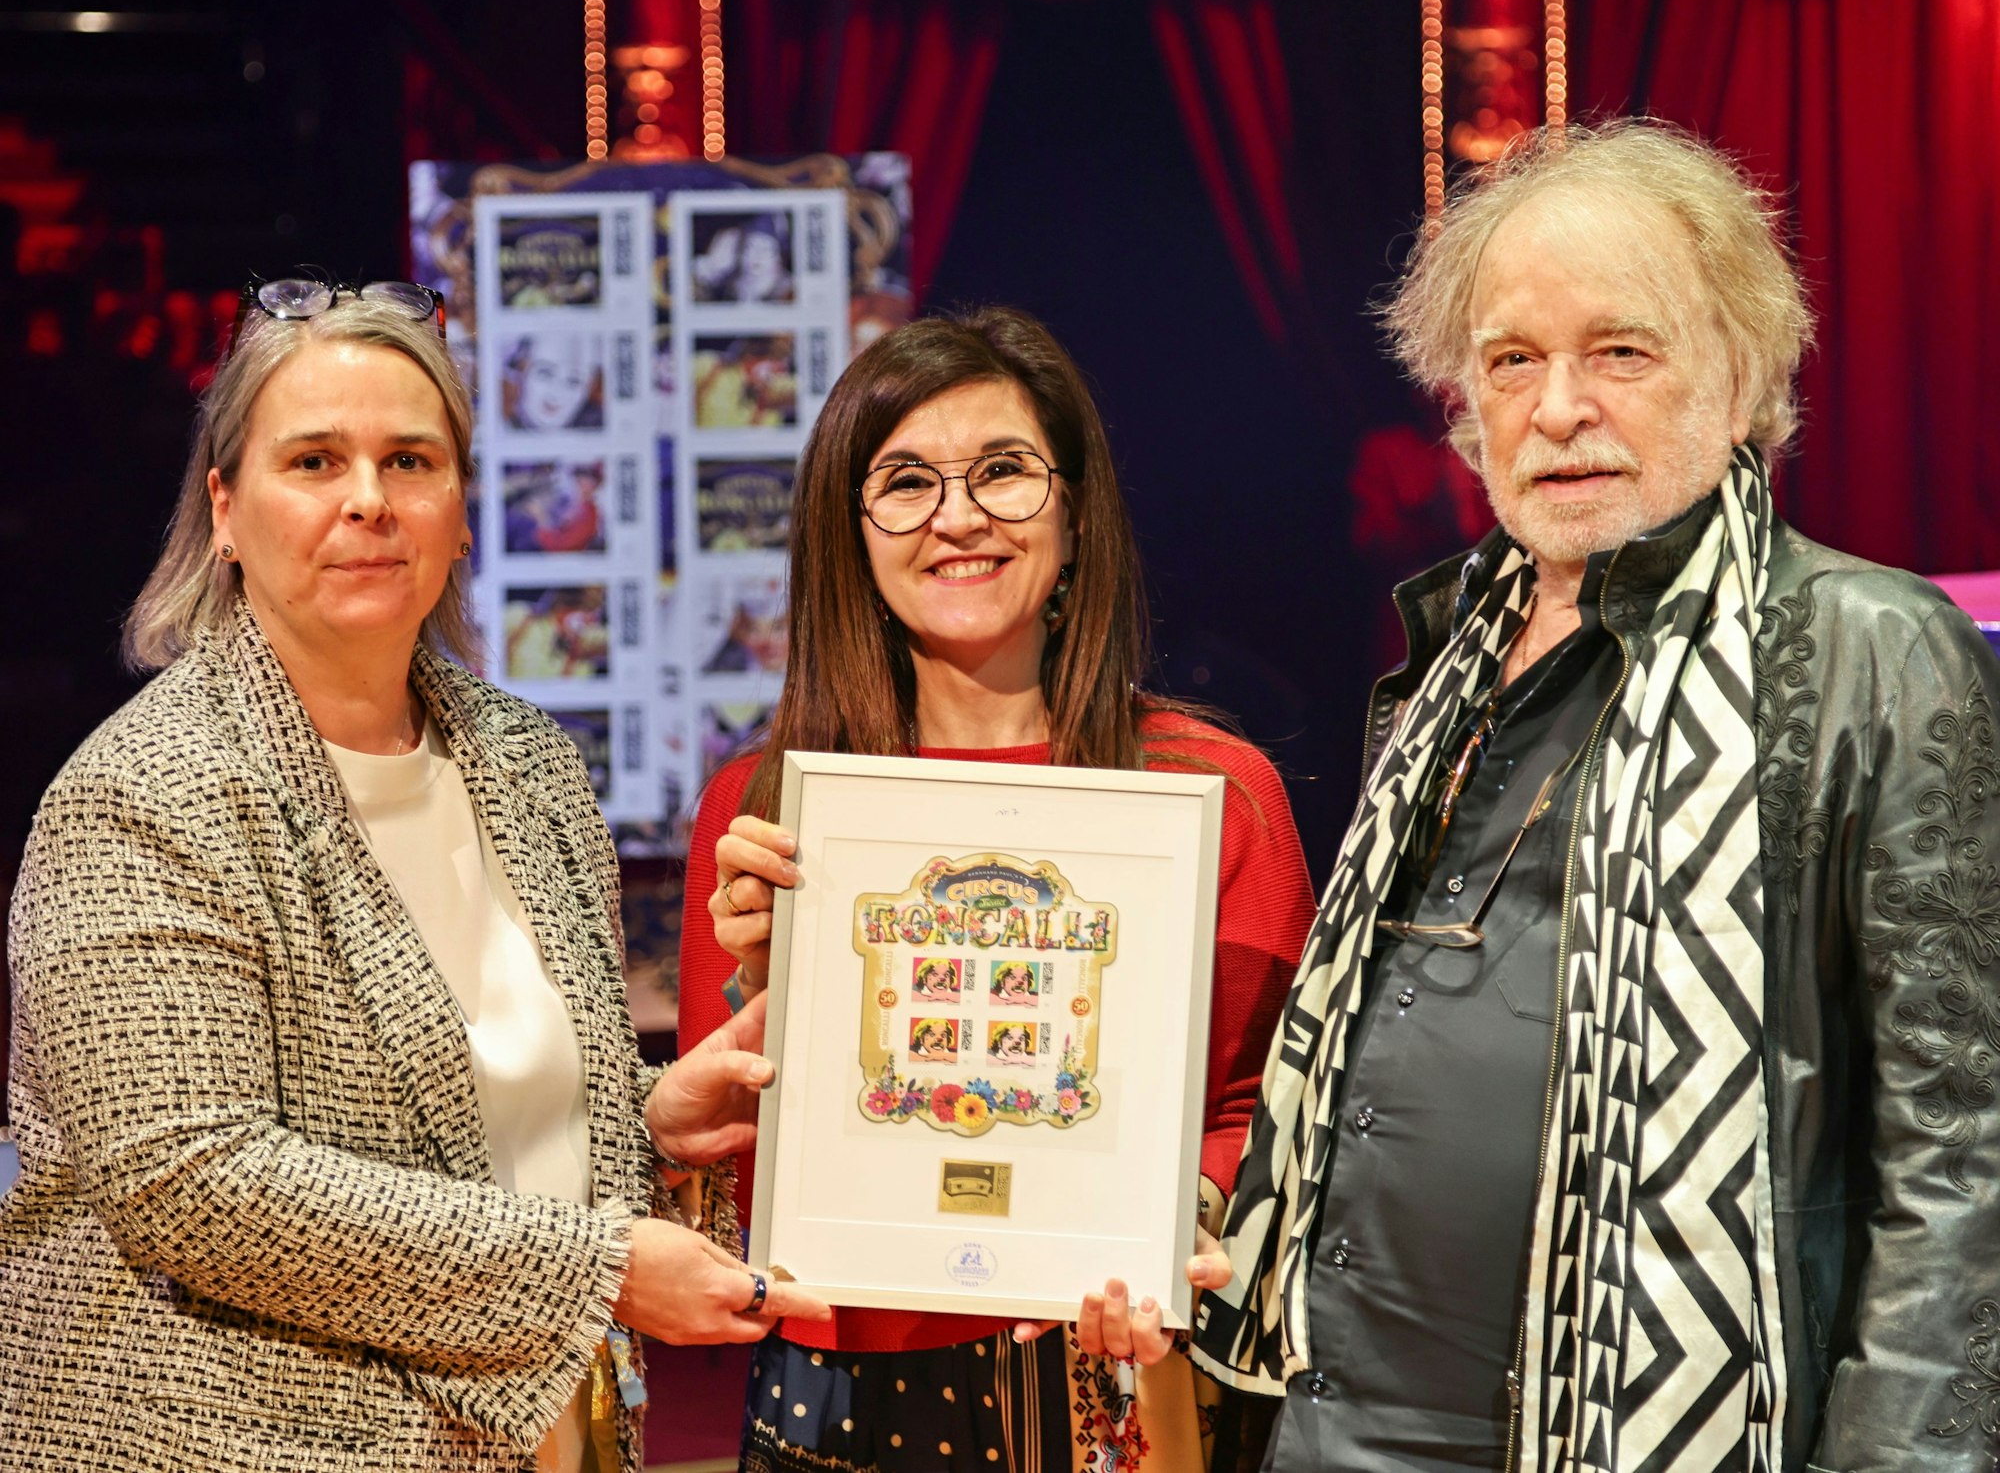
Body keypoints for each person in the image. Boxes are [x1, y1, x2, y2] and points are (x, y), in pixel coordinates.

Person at [1192, 119, 2000, 1472]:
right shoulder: (1447, 648)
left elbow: (1962, 1151)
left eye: (1620, 351)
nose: (1558, 408)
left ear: (1741, 380)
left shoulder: (1865, 645)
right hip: (1326, 1416)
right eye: (1512, 362)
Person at [0, 278, 827, 1472]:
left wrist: (649, 1129)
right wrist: (600, 1266)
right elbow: (197, 1185)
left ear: (460, 506)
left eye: (410, 460)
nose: (369, 502)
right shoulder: (139, 793)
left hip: (549, 1440)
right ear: (225, 509)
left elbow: (460, 1140)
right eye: (315, 462)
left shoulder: (528, 763)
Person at [676, 306, 1318, 1473]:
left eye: (1003, 473)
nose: (957, 515)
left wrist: (1185, 1226)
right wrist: (762, 988)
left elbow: (1261, 1118)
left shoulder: (1211, 794)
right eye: (906, 481)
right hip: (832, 1393)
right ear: (850, 532)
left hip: (1113, 1385)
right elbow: (730, 1180)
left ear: (1072, 513)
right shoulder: (763, 809)